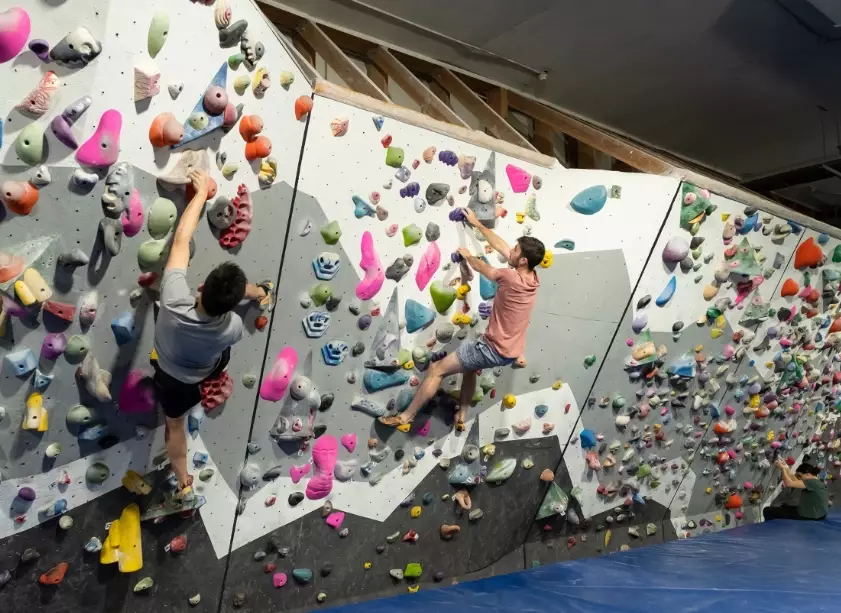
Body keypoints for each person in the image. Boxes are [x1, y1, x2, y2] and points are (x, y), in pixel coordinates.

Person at [153, 170, 272, 500]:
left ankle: (183, 482)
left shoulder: (174, 295)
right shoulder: (231, 327)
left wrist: (200, 193)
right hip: (199, 377)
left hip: (169, 373)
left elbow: (180, 239)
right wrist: (250, 292)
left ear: (202, 286)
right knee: (180, 418)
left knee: (174, 424)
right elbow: (231, 316)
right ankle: (262, 291)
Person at [379, 207, 544, 431]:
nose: (511, 251)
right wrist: (476, 223)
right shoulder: (533, 277)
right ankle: (462, 413)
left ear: (523, 260)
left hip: (492, 348)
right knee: (469, 366)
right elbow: (503, 247)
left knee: (437, 368)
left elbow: (486, 269)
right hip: (510, 353)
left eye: (516, 250)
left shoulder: (509, 277)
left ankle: (405, 416)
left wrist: (468, 257)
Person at [763, 459, 828, 521]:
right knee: (785, 507)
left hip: (812, 516)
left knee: (767, 510)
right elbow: (795, 480)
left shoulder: (811, 482)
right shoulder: (816, 482)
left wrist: (782, 469)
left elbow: (789, 483)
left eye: (800, 476)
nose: (800, 478)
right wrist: (786, 467)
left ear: (808, 474)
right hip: (819, 514)